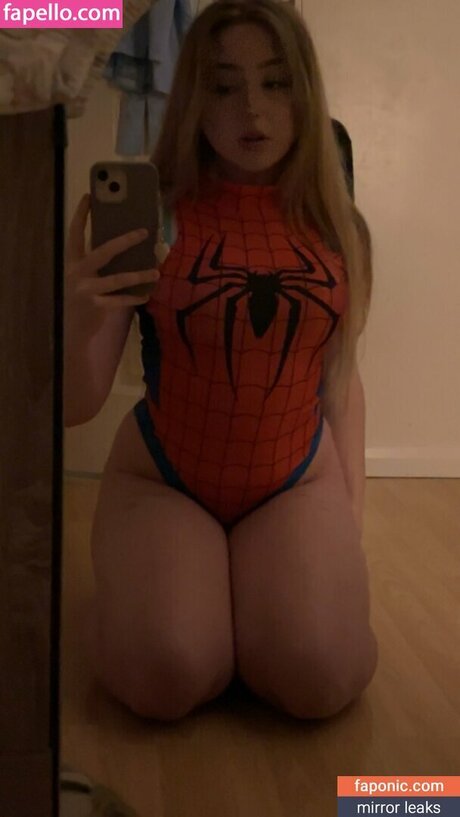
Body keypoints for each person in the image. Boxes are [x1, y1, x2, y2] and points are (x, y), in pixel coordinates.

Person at [64, 0, 378, 723]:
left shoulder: (337, 224)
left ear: (306, 91)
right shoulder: (155, 213)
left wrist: (348, 516)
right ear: (193, 99)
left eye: (276, 82)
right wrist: (77, 319)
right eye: (225, 85)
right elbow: (79, 405)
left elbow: (340, 377)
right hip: (165, 475)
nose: (253, 109)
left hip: (294, 478)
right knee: (165, 672)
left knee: (324, 675)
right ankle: (199, 605)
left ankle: (242, 605)